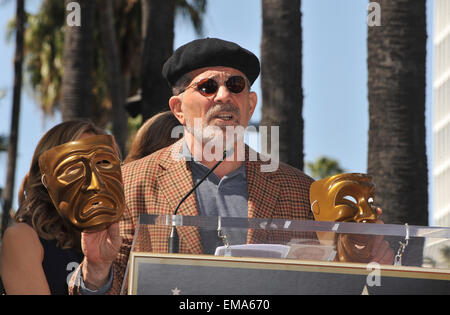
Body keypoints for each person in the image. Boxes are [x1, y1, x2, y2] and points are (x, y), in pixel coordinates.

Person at [72, 38, 393, 295]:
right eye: (208, 87)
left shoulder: (301, 191)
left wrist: (371, 266)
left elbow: (325, 285)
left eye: (236, 85)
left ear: (250, 104)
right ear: (178, 109)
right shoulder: (129, 184)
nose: (224, 95)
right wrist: (96, 269)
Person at [0, 120, 114, 294]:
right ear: (47, 179)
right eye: (75, 166)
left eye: (103, 163)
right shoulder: (23, 238)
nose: (94, 178)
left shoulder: (117, 239)